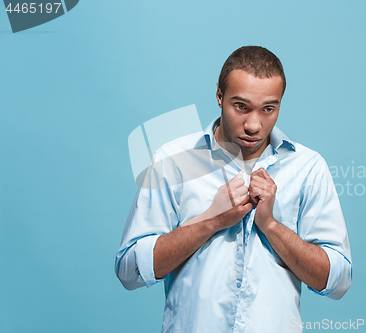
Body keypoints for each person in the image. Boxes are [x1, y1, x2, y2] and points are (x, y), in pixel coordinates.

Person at [115, 46, 352, 333]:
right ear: (219, 96)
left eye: (268, 109)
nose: (254, 125)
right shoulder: (174, 161)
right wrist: (212, 220)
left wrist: (271, 226)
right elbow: (129, 271)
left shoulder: (308, 167)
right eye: (241, 106)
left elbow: (337, 282)